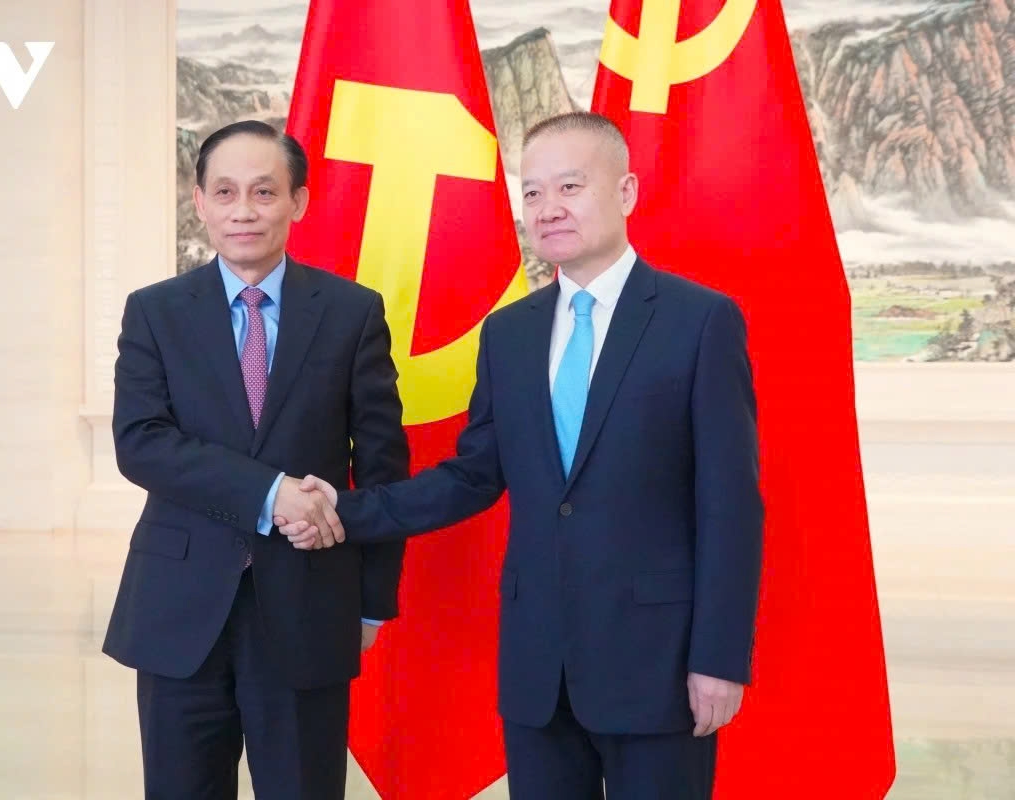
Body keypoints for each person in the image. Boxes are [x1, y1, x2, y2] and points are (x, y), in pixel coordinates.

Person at [277, 111, 764, 799]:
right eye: (532, 193)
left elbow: (731, 506)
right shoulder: (508, 334)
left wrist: (719, 658)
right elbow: (473, 475)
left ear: (625, 192)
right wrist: (345, 512)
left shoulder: (699, 320)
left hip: (659, 663)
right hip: (539, 669)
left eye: (569, 186)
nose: (548, 209)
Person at [102, 119, 410, 800]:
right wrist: (272, 493)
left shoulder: (352, 313)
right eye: (227, 192)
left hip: (310, 607)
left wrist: (371, 605)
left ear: (297, 201)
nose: (244, 210)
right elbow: (142, 441)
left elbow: (384, 466)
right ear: (200, 202)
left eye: (264, 192)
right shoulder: (155, 313)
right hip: (179, 610)